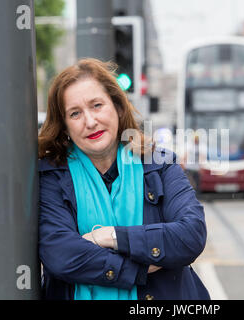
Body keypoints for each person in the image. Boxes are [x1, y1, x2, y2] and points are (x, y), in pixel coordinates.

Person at [37, 58, 210, 300]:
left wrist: (111, 237)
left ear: (118, 108)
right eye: (75, 113)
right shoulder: (51, 176)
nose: (90, 121)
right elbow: (61, 255)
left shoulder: (160, 164)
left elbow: (191, 234)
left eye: (97, 105)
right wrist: (139, 267)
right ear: (64, 126)